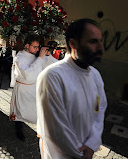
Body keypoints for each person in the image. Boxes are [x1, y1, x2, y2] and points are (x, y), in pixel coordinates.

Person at [36, 18, 107, 159]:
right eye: (93, 41)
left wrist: (92, 144)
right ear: (73, 43)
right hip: (61, 153)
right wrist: (80, 154)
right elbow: (56, 129)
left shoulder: (95, 74)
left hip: (86, 150)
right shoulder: (52, 76)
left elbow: (100, 110)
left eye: (100, 41)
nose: (101, 47)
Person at [9, 34, 57, 140]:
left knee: (37, 109)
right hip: (23, 89)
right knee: (20, 112)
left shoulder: (36, 55)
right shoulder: (19, 57)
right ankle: (19, 130)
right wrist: (40, 57)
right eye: (34, 47)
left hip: (34, 88)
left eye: (37, 47)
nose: (36, 49)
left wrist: (47, 56)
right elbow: (27, 74)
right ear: (27, 45)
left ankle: (41, 129)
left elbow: (50, 66)